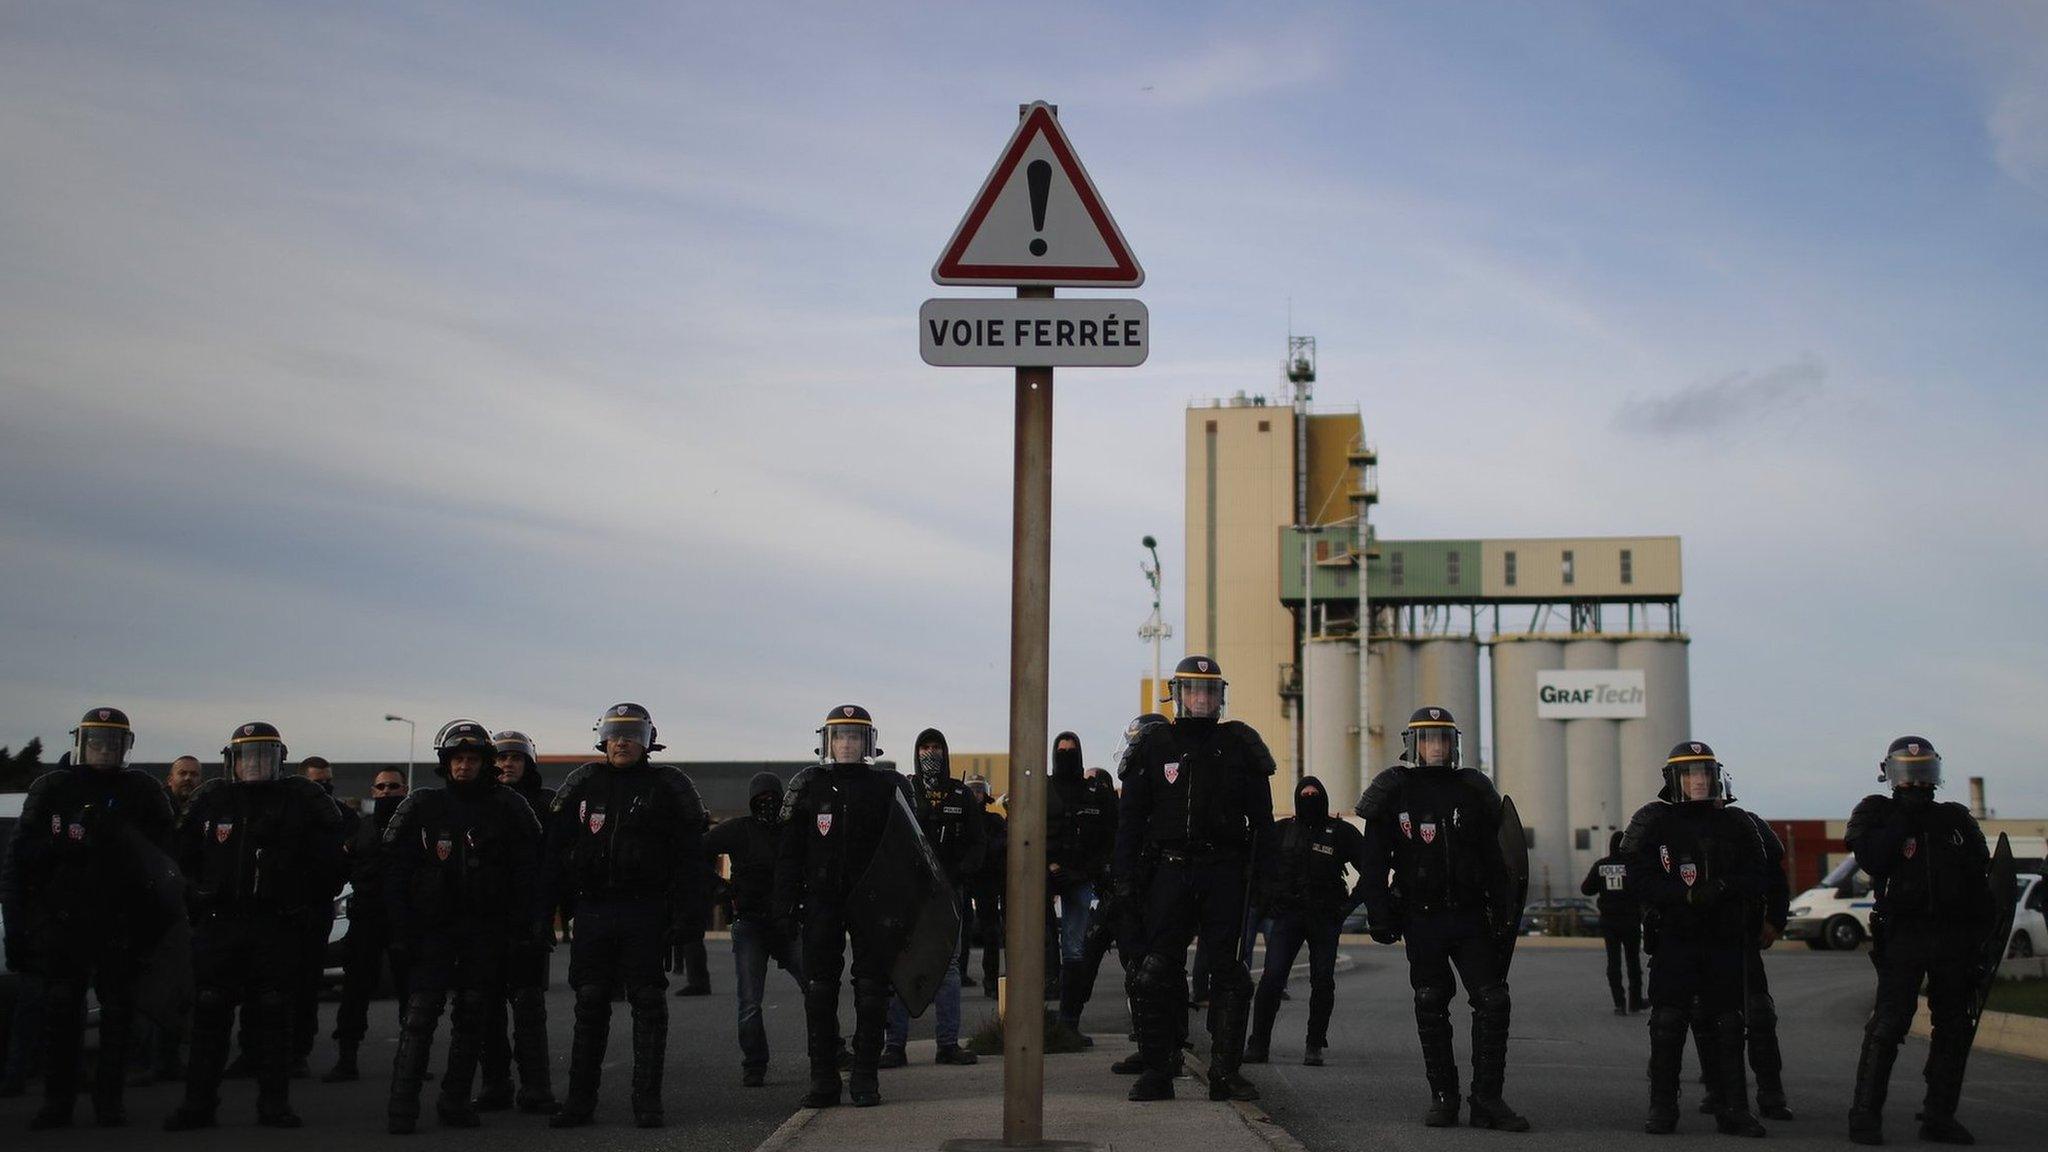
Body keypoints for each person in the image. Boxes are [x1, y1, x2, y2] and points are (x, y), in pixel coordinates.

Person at [1, 706, 178, 1129]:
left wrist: (154, 925)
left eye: (113, 743)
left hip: (120, 922)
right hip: (63, 921)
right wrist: (21, 925)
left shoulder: (143, 791)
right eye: (96, 741)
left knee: (118, 1016)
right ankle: (57, 1101)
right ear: (81, 743)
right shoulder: (53, 788)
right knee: (61, 1013)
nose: (103, 750)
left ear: (126, 747)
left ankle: (108, 1101)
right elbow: (20, 860)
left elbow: (166, 860)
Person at [1355, 706, 1530, 1131]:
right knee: (1431, 1001)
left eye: (1444, 739)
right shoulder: (1393, 792)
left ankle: (1487, 1099)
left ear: (1454, 744)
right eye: (1429, 739)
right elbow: (1373, 864)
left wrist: (1503, 908)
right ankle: (1444, 1098)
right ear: (1413, 744)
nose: (1437, 746)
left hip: (1470, 917)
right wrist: (1378, 913)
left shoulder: (1473, 789)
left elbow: (1497, 857)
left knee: (1493, 1000)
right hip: (1422, 917)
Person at [165, 722, 346, 1131]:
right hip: (221, 924)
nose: (255, 764)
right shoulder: (211, 800)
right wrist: (198, 896)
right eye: (248, 755)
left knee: (273, 1015)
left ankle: (274, 1105)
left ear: (279, 759)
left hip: (274, 925)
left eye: (264, 755)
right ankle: (197, 1105)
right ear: (232, 759)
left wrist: (299, 899)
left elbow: (331, 862)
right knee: (209, 1013)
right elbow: (181, 857)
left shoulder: (299, 801)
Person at [1115, 656, 1274, 1103]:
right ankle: (1158, 1069)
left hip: (1224, 871)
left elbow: (1263, 823)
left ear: (1220, 696)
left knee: (1229, 974)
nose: (1201, 699)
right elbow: (1130, 820)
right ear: (1178, 694)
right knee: (1153, 973)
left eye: (1209, 691)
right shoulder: (1154, 744)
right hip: (1169, 870)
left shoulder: (1240, 744)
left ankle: (1225, 1072)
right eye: (1193, 691)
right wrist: (1124, 877)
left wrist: (1266, 879)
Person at [544, 703, 709, 1129]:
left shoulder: (668, 786)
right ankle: (580, 1102)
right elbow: (556, 852)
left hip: (645, 910)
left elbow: (692, 858)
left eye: (632, 734)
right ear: (602, 738)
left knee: (648, 1003)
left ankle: (647, 1102)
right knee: (590, 1001)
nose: (622, 741)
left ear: (648, 740)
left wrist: (689, 915)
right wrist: (548, 909)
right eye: (616, 733)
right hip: (594, 908)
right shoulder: (583, 783)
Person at [1845, 736, 1992, 1146]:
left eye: (1924, 771)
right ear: (1890, 774)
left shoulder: (1956, 819)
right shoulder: (1875, 811)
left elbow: (1980, 879)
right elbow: (1872, 859)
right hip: (1903, 933)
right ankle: (1864, 1114)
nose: (1916, 781)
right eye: (1908, 773)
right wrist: (1902, 820)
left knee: (1955, 1026)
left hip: (1953, 937)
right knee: (1889, 1024)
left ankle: (1939, 1115)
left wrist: (1981, 939)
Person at [1620, 740, 1768, 1138]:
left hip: (1723, 938)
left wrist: (1722, 886)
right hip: (1674, 938)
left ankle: (1733, 1108)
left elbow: (1759, 875)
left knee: (1728, 1023)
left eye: (1705, 773)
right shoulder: (1654, 821)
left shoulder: (1736, 823)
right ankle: (1663, 1108)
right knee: (1668, 1022)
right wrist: (1680, 895)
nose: (1699, 781)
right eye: (1690, 774)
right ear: (1674, 779)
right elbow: (1635, 875)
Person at [774, 704, 919, 1108]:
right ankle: (823, 1079)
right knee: (820, 990)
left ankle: (865, 1077)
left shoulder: (887, 785)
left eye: (854, 737)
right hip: (821, 900)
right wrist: (783, 906)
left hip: (872, 902)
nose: (847, 744)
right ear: (828, 741)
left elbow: (910, 850)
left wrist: (904, 903)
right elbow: (789, 853)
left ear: (867, 742)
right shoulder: (809, 786)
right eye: (840, 736)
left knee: (872, 990)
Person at [1244, 776, 1365, 1067]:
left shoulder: (1340, 832)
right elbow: (1256, 866)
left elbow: (1370, 870)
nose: (1310, 797)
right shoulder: (1282, 830)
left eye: (1315, 793)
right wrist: (1264, 901)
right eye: (1305, 793)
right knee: (1272, 978)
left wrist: (1347, 907)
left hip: (1325, 917)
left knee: (1322, 980)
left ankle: (1314, 1044)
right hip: (1287, 917)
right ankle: (1258, 1044)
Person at [1692, 778, 1793, 1122]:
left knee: (1759, 1015)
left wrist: (1775, 922)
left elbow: (1775, 881)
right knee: (1705, 1017)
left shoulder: (1749, 826)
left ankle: (1771, 1092)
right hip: (1698, 940)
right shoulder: (1679, 827)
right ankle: (1717, 1090)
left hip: (1740, 937)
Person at [882, 728, 983, 1067]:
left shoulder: (960, 794)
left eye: (936, 747)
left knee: (949, 967)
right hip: (910, 891)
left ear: (945, 751)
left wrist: (959, 874)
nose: (930, 752)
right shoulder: (905, 791)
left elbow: (978, 843)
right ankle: (894, 1046)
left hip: (949, 891)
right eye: (925, 747)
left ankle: (948, 1044)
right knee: (900, 964)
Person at [472, 730, 557, 1114]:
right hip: (483, 921)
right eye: (500, 759)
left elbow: (556, 866)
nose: (506, 765)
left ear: (528, 764)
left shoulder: (548, 806)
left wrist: (545, 916)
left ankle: (536, 1087)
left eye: (515, 759)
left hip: (529, 919)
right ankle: (495, 1083)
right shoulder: (476, 804)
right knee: (485, 1007)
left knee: (527, 1007)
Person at [708, 771, 806, 1086]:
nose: (767, 804)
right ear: (752, 802)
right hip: (750, 923)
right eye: (761, 799)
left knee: (817, 987)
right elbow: (697, 851)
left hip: (787, 922)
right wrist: (720, 889)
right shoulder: (739, 831)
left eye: (772, 799)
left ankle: (831, 1048)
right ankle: (754, 1063)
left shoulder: (792, 831)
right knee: (750, 1001)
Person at [325, 767, 411, 1083]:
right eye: (381, 787)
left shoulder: (416, 827)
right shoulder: (361, 828)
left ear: (405, 789)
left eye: (393, 786)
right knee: (356, 991)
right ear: (373, 791)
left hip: (404, 920)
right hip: (366, 919)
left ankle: (412, 1058)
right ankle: (347, 1058)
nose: (387, 791)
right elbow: (342, 867)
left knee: (409, 992)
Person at [1047, 731, 1114, 1029]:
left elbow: (1104, 837)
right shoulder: (1045, 789)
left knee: (1074, 949)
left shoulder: (1092, 793)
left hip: (1081, 878)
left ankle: (1068, 1021)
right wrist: (1049, 864)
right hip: (1046, 876)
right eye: (1061, 751)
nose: (1066, 755)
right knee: (1041, 944)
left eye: (1071, 750)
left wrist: (1086, 871)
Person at [1580, 831, 1644, 1015]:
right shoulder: (1633, 866)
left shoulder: (1601, 865)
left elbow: (1586, 889)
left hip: (1609, 921)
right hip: (1630, 920)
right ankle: (1635, 1001)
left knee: (1613, 963)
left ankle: (1619, 1003)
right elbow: (1643, 889)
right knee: (1633, 962)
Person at [961, 775, 1005, 998]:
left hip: (987, 880)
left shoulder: (995, 821)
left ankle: (991, 980)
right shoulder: (959, 819)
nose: (976, 794)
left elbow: (1002, 844)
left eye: (979, 790)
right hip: (965, 878)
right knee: (962, 927)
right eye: (972, 790)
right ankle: (959, 973)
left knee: (991, 931)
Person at [672, 810, 715, 997]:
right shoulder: (701, 841)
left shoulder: (694, 844)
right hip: (695, 894)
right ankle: (693, 976)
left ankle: (697, 980)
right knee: (690, 936)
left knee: (690, 936)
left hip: (691, 893)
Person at [165, 756, 203, 822]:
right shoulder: (156, 808)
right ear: (169, 780)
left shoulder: (210, 808)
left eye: (194, 774)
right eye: (182, 773)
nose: (188, 778)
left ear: (201, 782)